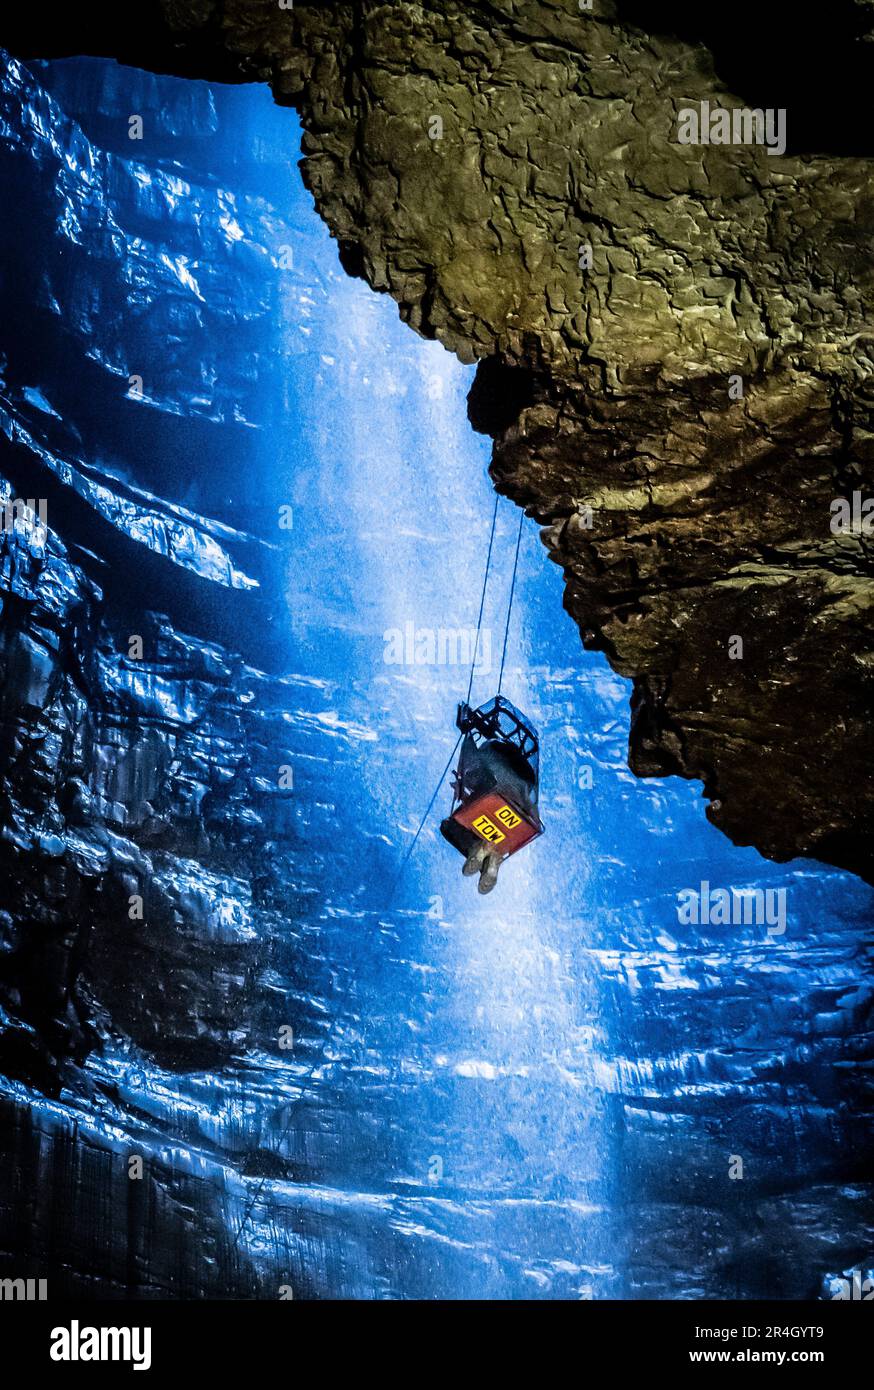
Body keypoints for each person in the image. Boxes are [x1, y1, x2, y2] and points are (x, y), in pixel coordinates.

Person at [457, 736, 536, 894]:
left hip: (494, 800)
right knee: (507, 824)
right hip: (514, 807)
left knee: (456, 822)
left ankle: (483, 849)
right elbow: (531, 807)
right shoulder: (528, 777)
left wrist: (462, 787)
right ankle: (494, 857)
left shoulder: (489, 751)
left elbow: (473, 772)